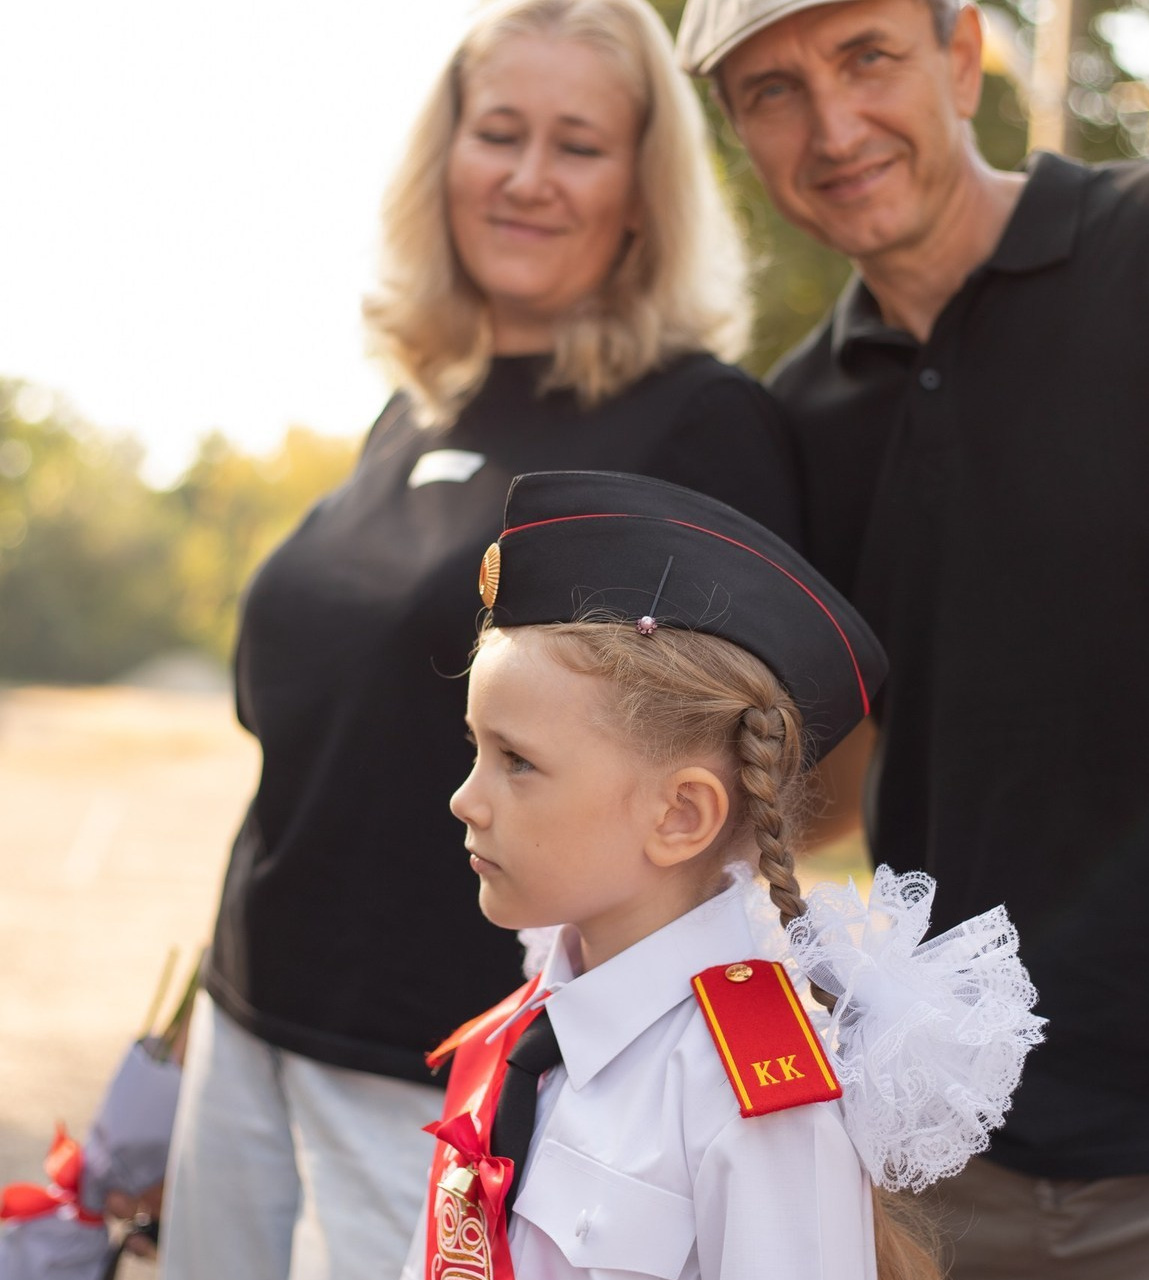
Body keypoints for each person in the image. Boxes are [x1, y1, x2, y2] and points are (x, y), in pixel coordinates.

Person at [158, 2, 806, 1277]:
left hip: (446, 1067)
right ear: (443, 159)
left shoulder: (699, 425)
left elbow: (741, 781)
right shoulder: (413, 403)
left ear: (641, 191)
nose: (525, 177)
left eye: (576, 145)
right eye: (497, 132)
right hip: (243, 1026)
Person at [673, 1, 1149, 1277]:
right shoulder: (797, 417)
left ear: (960, 59)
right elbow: (825, 803)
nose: (833, 126)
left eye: (866, 57)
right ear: (738, 136)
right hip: (938, 1171)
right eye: (772, 91)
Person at [403, 467, 1043, 1280]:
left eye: (518, 763)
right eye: (477, 750)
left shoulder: (751, 1097)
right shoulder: (525, 1028)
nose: (466, 800)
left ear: (681, 817)